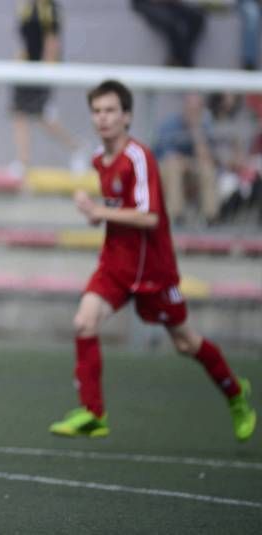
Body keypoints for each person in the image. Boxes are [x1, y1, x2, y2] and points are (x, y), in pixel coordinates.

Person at [48, 80, 256, 442]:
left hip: (152, 271)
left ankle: (236, 393)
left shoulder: (137, 157)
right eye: (97, 111)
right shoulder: (101, 159)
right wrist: (98, 213)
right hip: (116, 265)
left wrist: (100, 210)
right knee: (84, 321)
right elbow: (120, 208)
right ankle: (94, 413)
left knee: (185, 343)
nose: (103, 118)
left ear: (127, 116)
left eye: (111, 110)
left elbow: (150, 217)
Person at [9, 0, 84, 180]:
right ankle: (23, 162)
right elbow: (27, 40)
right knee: (19, 114)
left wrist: (45, 72)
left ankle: (76, 147)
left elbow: (52, 43)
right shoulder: (26, 7)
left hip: (39, 71)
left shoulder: (49, 9)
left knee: (42, 117)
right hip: (25, 69)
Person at [154, 93, 218, 226]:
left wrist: (196, 131)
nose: (193, 113)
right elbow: (169, 156)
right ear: (184, 108)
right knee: (174, 167)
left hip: (190, 169)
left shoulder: (204, 127)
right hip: (166, 170)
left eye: (197, 110)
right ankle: (176, 217)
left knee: (207, 168)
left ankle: (210, 217)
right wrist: (186, 162)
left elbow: (206, 158)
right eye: (190, 109)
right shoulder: (170, 125)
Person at [130, 0, 206, 68]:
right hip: (145, 3)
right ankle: (185, 62)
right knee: (171, 24)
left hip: (168, 3)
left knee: (197, 17)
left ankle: (177, 58)